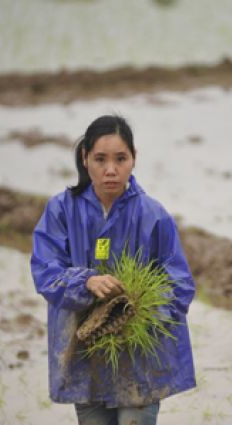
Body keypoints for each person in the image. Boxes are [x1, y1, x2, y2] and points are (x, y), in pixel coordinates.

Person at [31, 115, 196, 425]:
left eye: (121, 158)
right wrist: (87, 281)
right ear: (85, 159)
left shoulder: (153, 215)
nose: (111, 170)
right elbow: (45, 270)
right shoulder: (62, 210)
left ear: (134, 159)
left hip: (140, 359)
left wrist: (139, 306)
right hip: (85, 352)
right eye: (100, 159)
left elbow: (180, 284)